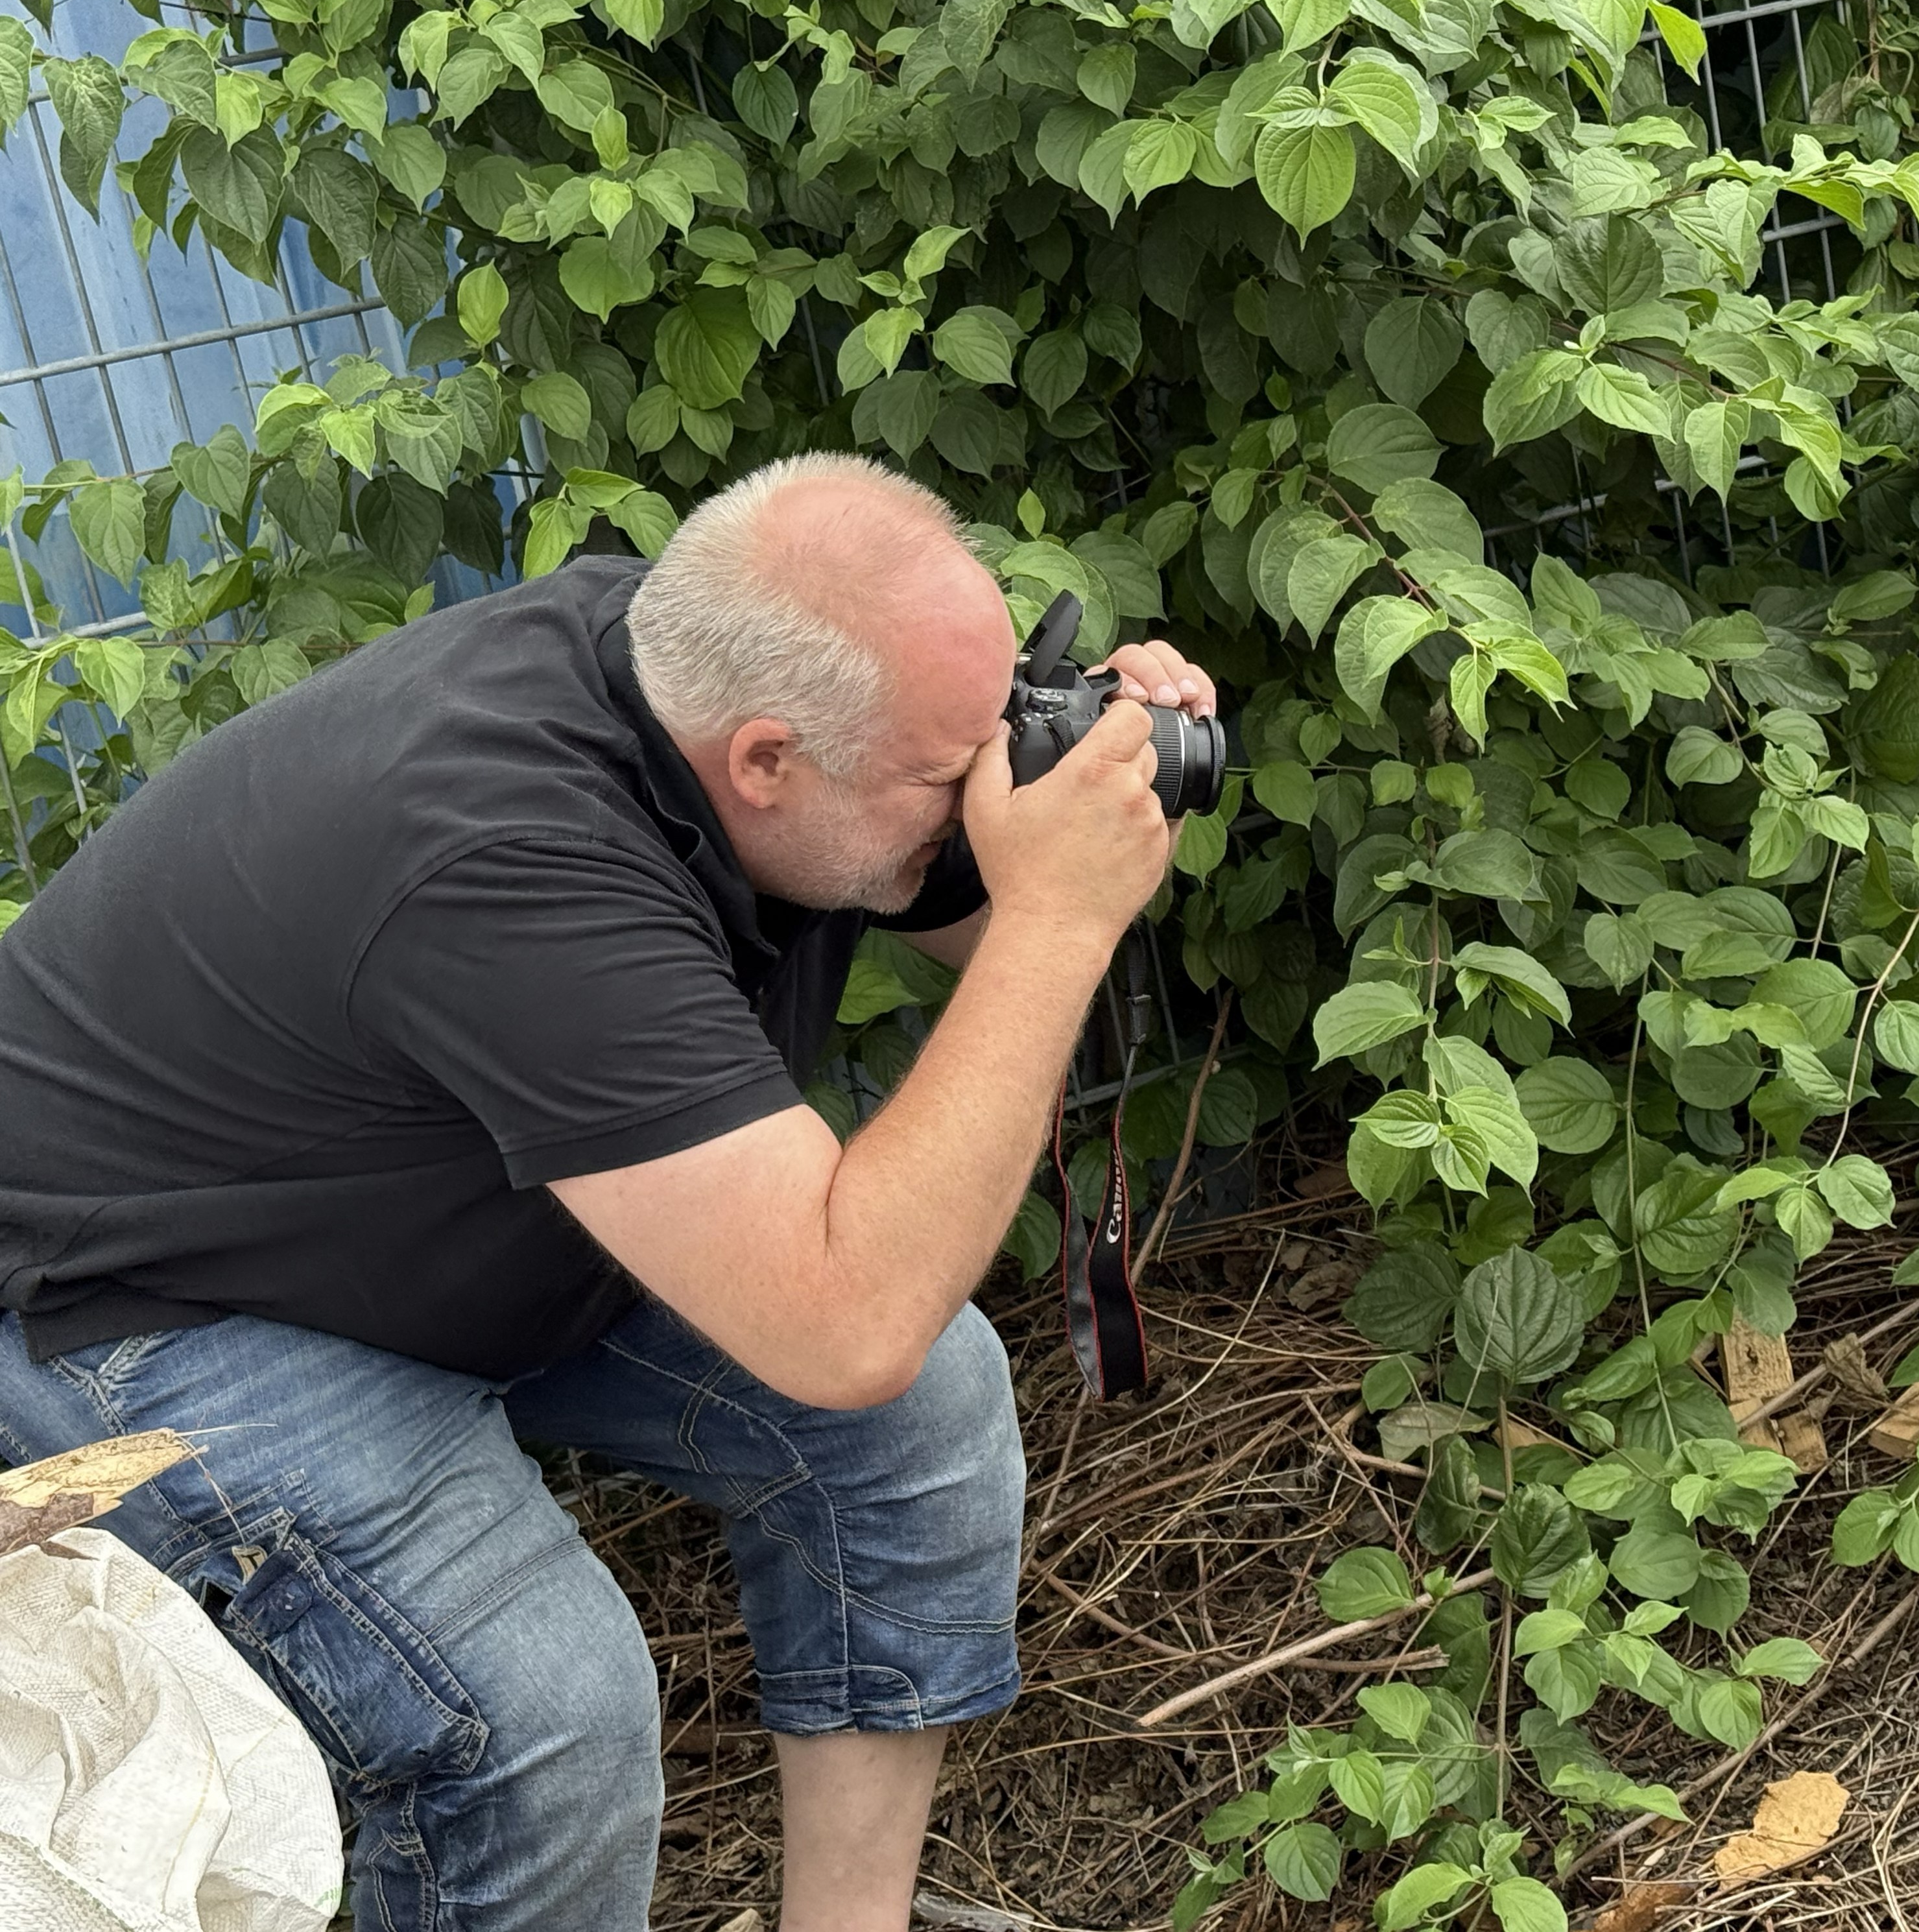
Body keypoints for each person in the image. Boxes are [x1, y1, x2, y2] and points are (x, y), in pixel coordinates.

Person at [0, 453, 1214, 1932]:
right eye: (943, 772)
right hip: (153, 1296)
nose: (973, 796)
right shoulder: (511, 854)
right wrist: (1063, 909)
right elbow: (845, 1324)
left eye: (993, 734)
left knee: (921, 1420)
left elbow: (970, 937)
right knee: (545, 1711)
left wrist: (1074, 791)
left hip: (433, 1210)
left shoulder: (716, 684)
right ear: (767, 761)